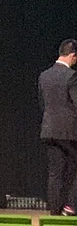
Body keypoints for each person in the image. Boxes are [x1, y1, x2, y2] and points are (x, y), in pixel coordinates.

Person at [40, 39, 77, 215]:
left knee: (55, 172)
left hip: (49, 129)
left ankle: (54, 212)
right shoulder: (72, 76)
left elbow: (42, 104)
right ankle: (70, 205)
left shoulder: (44, 75)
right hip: (69, 131)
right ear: (73, 56)